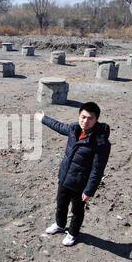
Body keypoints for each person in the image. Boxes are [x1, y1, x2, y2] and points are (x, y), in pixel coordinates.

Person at [35, 102, 111, 246]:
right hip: (64, 177)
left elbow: (98, 169)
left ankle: (73, 233)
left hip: (80, 183)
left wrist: (89, 190)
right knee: (61, 204)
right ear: (79, 116)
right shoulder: (74, 129)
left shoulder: (100, 142)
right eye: (83, 117)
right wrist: (44, 119)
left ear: (96, 120)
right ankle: (60, 224)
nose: (85, 121)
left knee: (77, 210)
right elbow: (59, 126)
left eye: (90, 118)